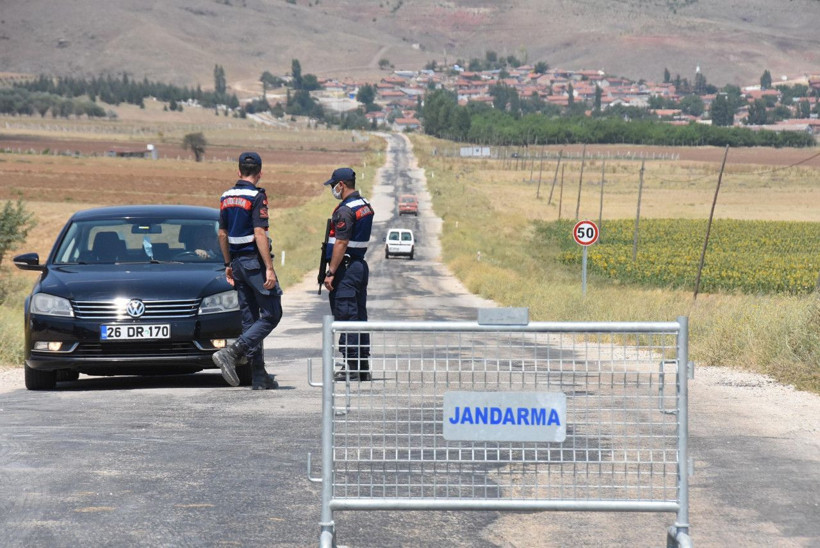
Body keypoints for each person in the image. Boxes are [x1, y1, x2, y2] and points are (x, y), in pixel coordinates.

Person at [212, 152, 283, 390]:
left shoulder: (226, 197)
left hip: (238, 265)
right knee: (273, 314)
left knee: (251, 321)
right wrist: (270, 269)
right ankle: (232, 352)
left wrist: (228, 264)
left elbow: (222, 234)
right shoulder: (256, 196)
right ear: (260, 172)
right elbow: (260, 233)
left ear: (238, 171)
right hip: (254, 263)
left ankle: (259, 376)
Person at [322, 167, 374, 381]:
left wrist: (331, 271)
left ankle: (352, 366)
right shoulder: (364, 206)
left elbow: (341, 243)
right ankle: (361, 365)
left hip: (345, 268)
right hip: (359, 266)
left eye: (334, 185)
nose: (333, 189)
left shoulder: (345, 210)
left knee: (346, 315)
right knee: (359, 316)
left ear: (341, 185)